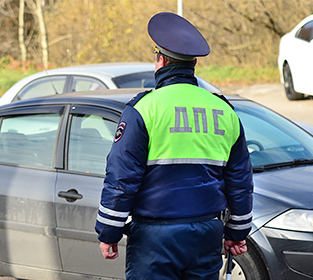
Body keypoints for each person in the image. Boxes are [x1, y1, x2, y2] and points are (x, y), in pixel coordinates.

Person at [94, 12, 254, 279]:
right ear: (192, 64)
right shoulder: (224, 111)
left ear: (161, 60)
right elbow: (240, 180)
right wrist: (236, 233)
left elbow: (122, 179)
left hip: (155, 239)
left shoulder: (145, 109)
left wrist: (109, 232)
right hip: (206, 234)